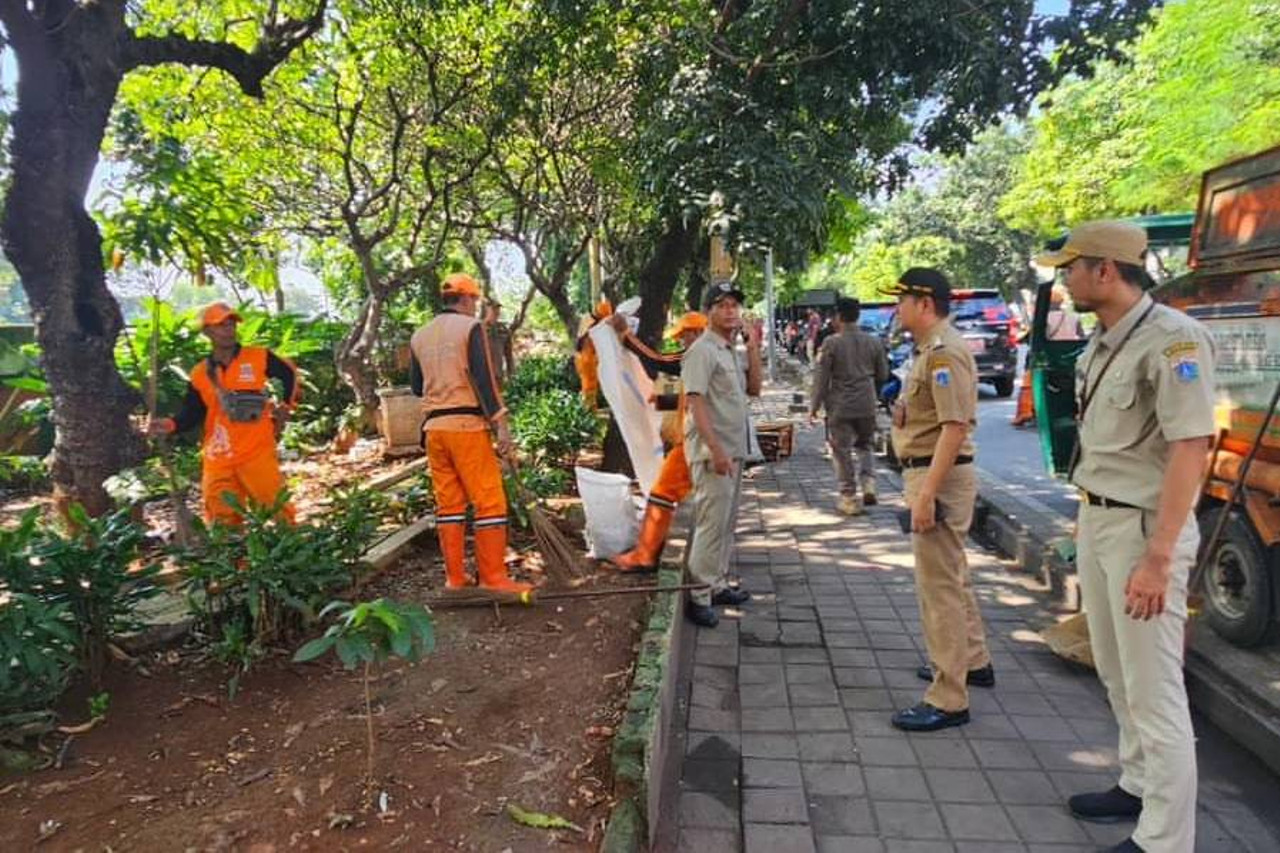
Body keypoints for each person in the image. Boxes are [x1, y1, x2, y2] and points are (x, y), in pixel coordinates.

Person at [1036, 221, 1214, 853]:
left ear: (1105, 270)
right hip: (1102, 520)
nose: (1065, 279)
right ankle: (1136, 784)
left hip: (1145, 533)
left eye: (1071, 268)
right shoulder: (1106, 342)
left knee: (1155, 689)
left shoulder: (1171, 341)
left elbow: (1191, 447)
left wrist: (1159, 558)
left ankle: (1166, 840)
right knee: (1114, 670)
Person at [885, 268, 992, 732]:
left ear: (924, 304)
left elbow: (955, 427)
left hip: (937, 477)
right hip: (932, 472)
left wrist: (926, 494)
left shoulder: (944, 352)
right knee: (953, 574)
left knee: (939, 589)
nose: (897, 309)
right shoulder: (928, 350)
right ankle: (973, 660)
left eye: (902, 300)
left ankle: (949, 696)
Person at [409, 272, 530, 594]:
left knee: (449, 505)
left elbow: (416, 387)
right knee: (489, 502)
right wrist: (501, 426)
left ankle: (455, 580)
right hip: (466, 427)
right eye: (474, 301)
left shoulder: (419, 335)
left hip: (434, 430)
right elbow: (484, 381)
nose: (475, 307)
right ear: (467, 299)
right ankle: (493, 578)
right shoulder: (470, 328)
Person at [148, 302, 298, 525]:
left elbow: (288, 374)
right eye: (220, 325)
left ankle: (294, 555)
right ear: (207, 332)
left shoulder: (258, 357)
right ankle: (234, 560)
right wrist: (170, 425)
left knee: (276, 508)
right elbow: (193, 412)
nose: (228, 330)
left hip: (256, 450)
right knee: (221, 517)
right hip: (219, 456)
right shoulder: (200, 373)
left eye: (231, 325)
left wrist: (286, 405)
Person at [682, 281, 762, 628]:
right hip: (714, 451)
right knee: (711, 523)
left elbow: (755, 389)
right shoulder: (701, 350)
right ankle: (699, 595)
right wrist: (714, 450)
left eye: (735, 305)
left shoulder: (729, 349)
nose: (731, 311)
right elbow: (695, 402)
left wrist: (754, 346)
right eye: (723, 305)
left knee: (726, 523)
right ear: (709, 312)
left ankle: (715, 583)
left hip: (734, 448)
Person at [606, 311, 707, 572]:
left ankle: (645, 555)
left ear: (695, 333)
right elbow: (675, 386)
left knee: (662, 492)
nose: (682, 342)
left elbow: (657, 361)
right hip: (701, 441)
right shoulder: (709, 357)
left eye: (684, 336)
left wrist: (625, 336)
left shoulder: (696, 354)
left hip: (695, 442)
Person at [809, 297, 889, 515]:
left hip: (840, 405)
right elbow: (883, 374)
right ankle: (869, 483)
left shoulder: (831, 343)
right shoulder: (874, 342)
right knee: (866, 445)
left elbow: (821, 379)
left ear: (838, 317)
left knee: (841, 450)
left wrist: (814, 406)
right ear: (858, 315)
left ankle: (849, 496)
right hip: (867, 402)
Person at [574, 300, 613, 409]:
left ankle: (589, 409)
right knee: (589, 386)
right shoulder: (593, 325)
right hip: (587, 359)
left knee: (589, 385)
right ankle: (588, 411)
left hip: (583, 358)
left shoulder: (587, 319)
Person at [482, 298, 516, 388]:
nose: (496, 311)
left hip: (498, 375)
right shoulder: (479, 328)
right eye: (493, 308)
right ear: (486, 309)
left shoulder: (504, 330)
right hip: (482, 376)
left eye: (498, 308)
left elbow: (509, 356)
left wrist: (511, 376)